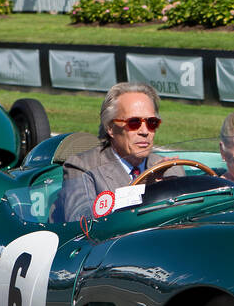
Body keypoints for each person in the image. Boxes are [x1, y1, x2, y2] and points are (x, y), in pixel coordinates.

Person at [55, 82, 182, 222]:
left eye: (152, 123)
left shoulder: (171, 169)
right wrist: (137, 191)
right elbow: (80, 220)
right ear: (110, 128)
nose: (145, 131)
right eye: (134, 123)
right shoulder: (82, 167)